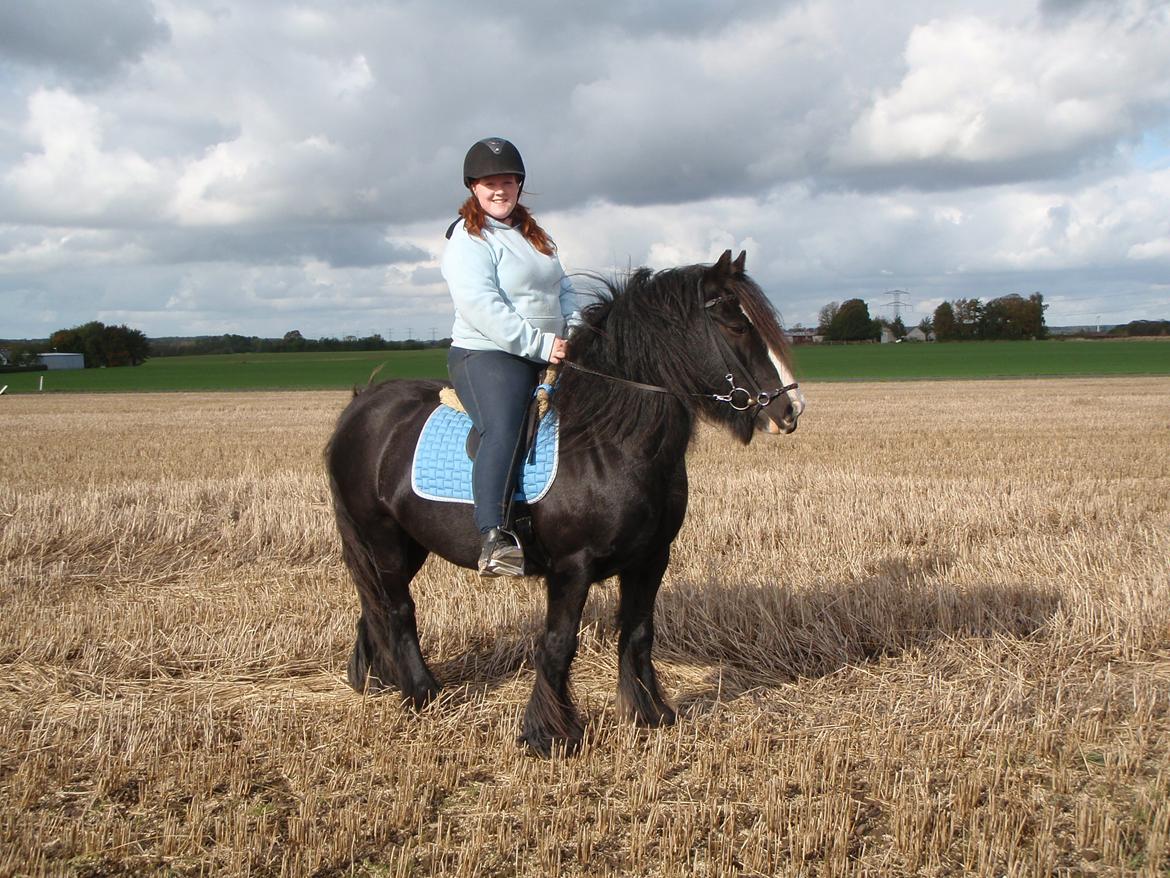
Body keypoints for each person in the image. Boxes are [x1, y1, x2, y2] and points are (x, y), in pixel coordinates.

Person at [442, 137, 578, 577]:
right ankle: (494, 535)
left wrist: (576, 330)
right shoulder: (468, 238)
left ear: (519, 185)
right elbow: (482, 306)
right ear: (473, 188)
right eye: (488, 183)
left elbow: (565, 289)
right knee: (506, 425)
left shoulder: (537, 235)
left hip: (552, 350)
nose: (498, 191)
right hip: (488, 354)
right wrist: (541, 345)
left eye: (506, 181)